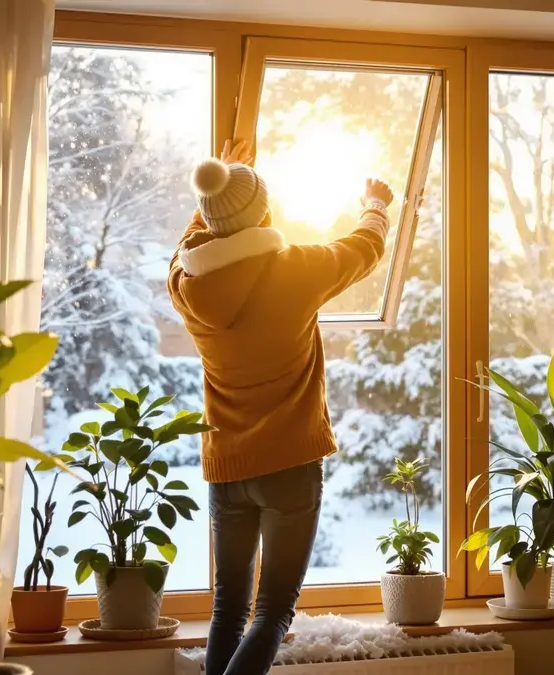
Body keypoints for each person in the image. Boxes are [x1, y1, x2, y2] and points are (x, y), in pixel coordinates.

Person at [167, 140, 394, 675]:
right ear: (264, 212)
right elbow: (363, 248)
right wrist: (376, 206)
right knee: (271, 614)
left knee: (228, 611)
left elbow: (189, 242)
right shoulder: (296, 269)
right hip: (290, 466)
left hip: (227, 468)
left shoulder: (184, 284)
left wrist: (218, 190)